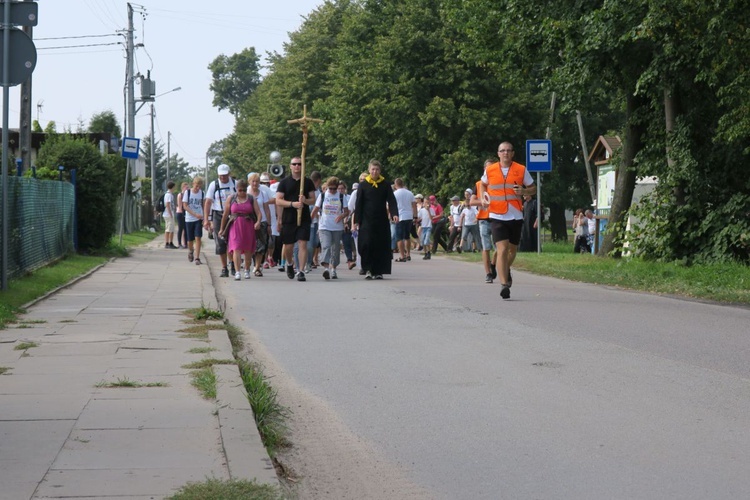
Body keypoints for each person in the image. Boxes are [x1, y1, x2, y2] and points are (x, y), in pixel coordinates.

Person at [480, 141, 536, 299]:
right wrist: (484, 198)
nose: (505, 153)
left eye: (508, 150)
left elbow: (533, 188)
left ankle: (506, 269)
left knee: (512, 250)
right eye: (502, 150)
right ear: (498, 153)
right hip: (496, 215)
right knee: (502, 249)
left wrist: (524, 190)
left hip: (516, 214)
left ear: (513, 153)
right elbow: (483, 185)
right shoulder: (490, 170)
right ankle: (504, 285)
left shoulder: (521, 169)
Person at [354, 159, 399, 279]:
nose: (375, 172)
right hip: (366, 219)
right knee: (367, 243)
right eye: (373, 169)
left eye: (377, 169)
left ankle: (378, 271)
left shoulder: (385, 184)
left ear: (380, 171)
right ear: (369, 170)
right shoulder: (363, 185)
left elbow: (392, 200)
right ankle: (368, 269)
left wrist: (394, 213)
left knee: (380, 244)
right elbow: (359, 203)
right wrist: (356, 221)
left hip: (381, 220)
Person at [275, 157, 316, 282]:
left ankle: (301, 271)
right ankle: (289, 263)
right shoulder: (284, 182)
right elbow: (278, 200)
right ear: (290, 166)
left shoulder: (307, 182)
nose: (297, 166)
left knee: (302, 243)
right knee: (288, 246)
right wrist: (293, 204)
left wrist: (305, 201)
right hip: (289, 217)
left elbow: (313, 200)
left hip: (303, 218)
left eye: (299, 164)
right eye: (295, 164)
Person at [219, 179, 261, 280]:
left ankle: (246, 270)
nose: (242, 192)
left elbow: (258, 212)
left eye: (244, 190)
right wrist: (222, 228)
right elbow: (225, 215)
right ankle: (237, 271)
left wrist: (258, 222)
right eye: (240, 190)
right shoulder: (231, 198)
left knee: (247, 250)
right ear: (236, 189)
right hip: (235, 225)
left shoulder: (251, 198)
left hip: (248, 225)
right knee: (236, 248)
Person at [312, 176, 349, 280]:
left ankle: (334, 269)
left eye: (334, 188)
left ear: (337, 187)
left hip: (337, 227)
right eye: (330, 188)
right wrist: (309, 220)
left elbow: (347, 211)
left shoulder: (341, 196)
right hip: (324, 226)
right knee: (326, 246)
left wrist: (341, 216)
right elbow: (315, 209)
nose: (332, 190)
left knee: (335, 249)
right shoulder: (322, 196)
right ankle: (326, 269)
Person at [204, 164, 237, 278]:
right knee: (220, 241)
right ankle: (224, 267)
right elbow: (208, 202)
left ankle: (233, 263)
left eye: (225, 175)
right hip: (218, 213)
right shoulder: (214, 185)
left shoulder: (234, 184)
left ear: (229, 173)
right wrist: (207, 219)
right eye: (221, 175)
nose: (223, 178)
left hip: (232, 215)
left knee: (233, 240)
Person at [470, 162, 499, 283]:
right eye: (488, 167)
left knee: (499, 247)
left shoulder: (497, 183)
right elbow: (471, 202)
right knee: (486, 247)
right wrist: (484, 201)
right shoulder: (478, 184)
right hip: (483, 219)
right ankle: (488, 273)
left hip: (497, 218)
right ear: (484, 169)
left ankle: (493, 264)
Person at [247, 172, 272, 276]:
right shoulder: (247, 193)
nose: (255, 183)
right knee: (250, 246)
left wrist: (269, 224)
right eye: (253, 181)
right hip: (249, 222)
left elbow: (267, 209)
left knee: (261, 246)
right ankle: (249, 265)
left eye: (257, 181)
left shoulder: (263, 194)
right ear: (249, 182)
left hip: (262, 222)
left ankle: (257, 267)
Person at [392, 178, 417, 262]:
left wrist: (390, 215)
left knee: (399, 237)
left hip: (399, 216)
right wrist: (415, 216)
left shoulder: (395, 194)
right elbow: (414, 205)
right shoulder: (410, 193)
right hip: (409, 216)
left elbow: (389, 206)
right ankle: (408, 254)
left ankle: (402, 256)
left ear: (395, 185)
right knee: (407, 236)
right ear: (403, 184)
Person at [183, 176, 205, 266]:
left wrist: (204, 218)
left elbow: (203, 205)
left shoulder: (202, 193)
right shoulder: (187, 193)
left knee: (198, 237)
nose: (198, 188)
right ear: (193, 184)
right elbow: (185, 206)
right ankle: (190, 250)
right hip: (189, 218)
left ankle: (197, 257)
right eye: (196, 186)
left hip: (198, 219)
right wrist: (194, 214)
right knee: (190, 239)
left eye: (199, 186)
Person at [259, 172, 278, 267]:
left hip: (271, 217)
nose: (264, 184)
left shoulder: (270, 190)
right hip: (261, 218)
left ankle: (270, 256)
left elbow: (275, 200)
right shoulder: (256, 189)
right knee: (264, 239)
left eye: (266, 182)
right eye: (262, 182)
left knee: (271, 241)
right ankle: (265, 259)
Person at [338, 181, 356, 269]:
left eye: (342, 188)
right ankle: (349, 259)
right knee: (342, 243)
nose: (341, 190)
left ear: (345, 189)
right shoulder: (334, 198)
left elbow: (351, 209)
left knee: (348, 241)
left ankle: (351, 258)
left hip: (348, 221)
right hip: (337, 222)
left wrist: (346, 221)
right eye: (339, 188)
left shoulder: (349, 197)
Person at [162, 181, 177, 249]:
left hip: (168, 214)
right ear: (172, 187)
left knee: (168, 229)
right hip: (168, 214)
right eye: (174, 187)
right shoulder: (168, 195)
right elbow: (167, 204)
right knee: (170, 229)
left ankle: (168, 242)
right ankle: (169, 242)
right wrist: (170, 214)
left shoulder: (169, 194)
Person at [175, 181, 188, 248]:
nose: (187, 189)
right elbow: (180, 205)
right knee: (180, 228)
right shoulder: (180, 195)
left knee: (186, 229)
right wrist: (182, 212)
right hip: (180, 213)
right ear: (183, 188)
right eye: (186, 187)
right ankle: (179, 243)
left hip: (186, 213)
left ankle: (185, 243)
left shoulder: (187, 195)